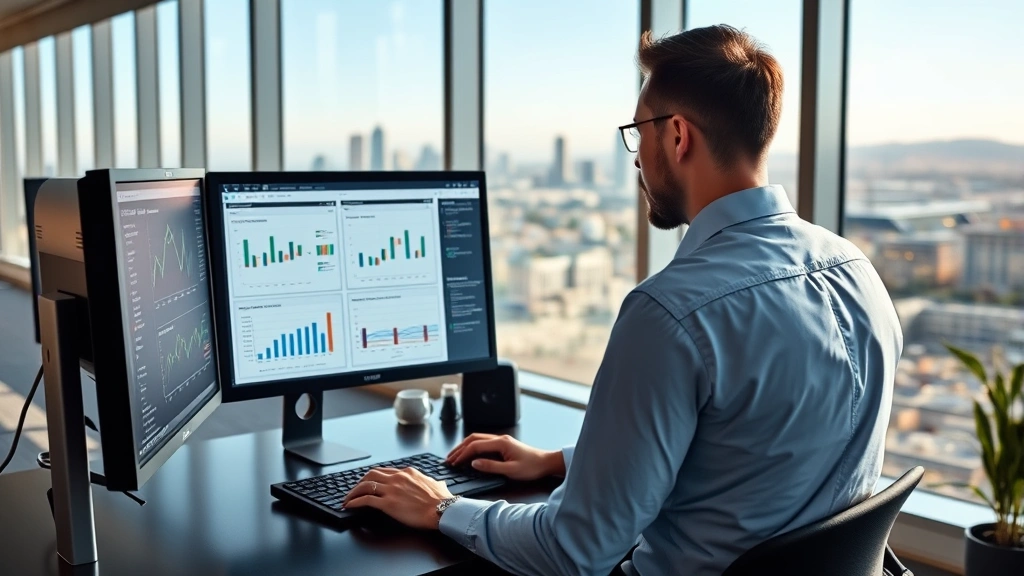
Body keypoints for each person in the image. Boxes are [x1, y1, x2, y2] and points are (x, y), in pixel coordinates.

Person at [342, 24, 902, 576]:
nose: (636, 158)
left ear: (678, 136)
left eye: (638, 133)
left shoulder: (672, 313)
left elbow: (573, 552)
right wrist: (566, 462)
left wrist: (442, 508)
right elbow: (756, 452)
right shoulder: (859, 273)